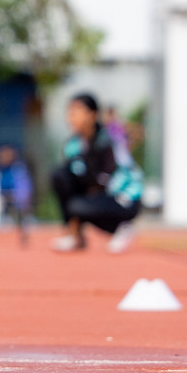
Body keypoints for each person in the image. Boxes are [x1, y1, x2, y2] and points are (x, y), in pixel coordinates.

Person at [50, 92, 143, 253]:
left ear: (92, 115)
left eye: (76, 112)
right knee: (59, 175)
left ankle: (122, 227)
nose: (71, 117)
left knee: (78, 206)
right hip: (97, 195)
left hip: (123, 197)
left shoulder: (108, 140)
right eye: (69, 112)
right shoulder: (72, 145)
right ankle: (74, 234)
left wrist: (90, 192)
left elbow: (110, 175)